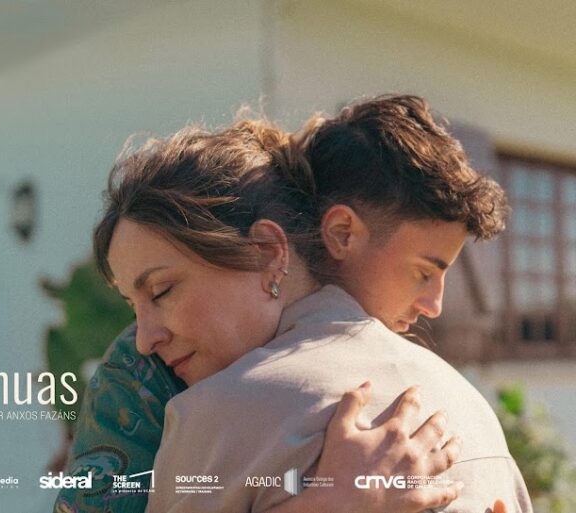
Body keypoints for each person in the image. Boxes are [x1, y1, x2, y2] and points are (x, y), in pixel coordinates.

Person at [95, 95, 531, 513]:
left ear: (269, 251)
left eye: (162, 291)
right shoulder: (472, 407)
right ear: (337, 233)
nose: (145, 341)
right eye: (134, 304)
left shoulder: (217, 413)